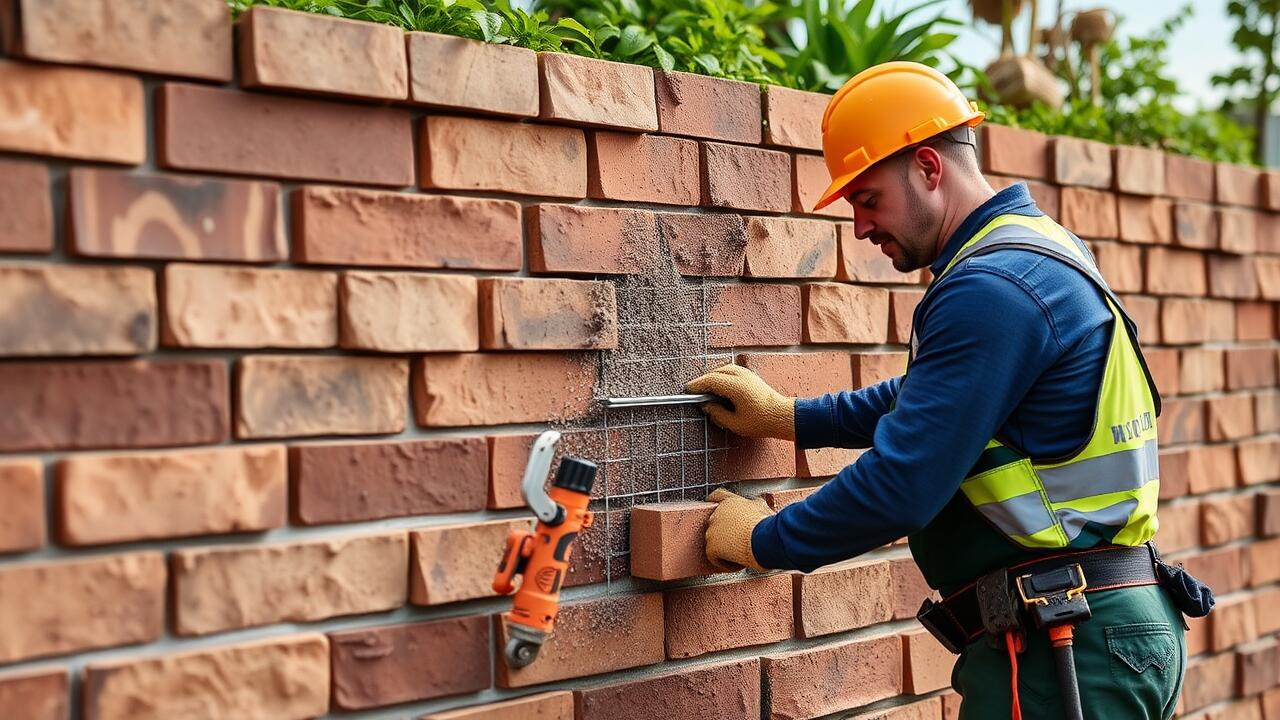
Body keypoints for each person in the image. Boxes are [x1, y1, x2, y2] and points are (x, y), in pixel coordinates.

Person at [686, 61, 1210, 720]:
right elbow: (937, 399)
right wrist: (788, 418)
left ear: (929, 169)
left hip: (1064, 645)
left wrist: (762, 540)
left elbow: (902, 485)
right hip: (1102, 626)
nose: (860, 227)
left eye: (868, 198)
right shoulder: (1034, 252)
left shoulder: (989, 289)